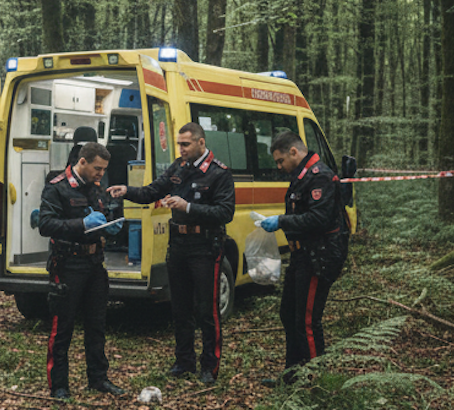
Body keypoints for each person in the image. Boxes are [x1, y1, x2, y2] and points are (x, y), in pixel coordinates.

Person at [107, 122, 235, 385]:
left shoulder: (219, 173)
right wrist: (127, 191)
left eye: (186, 144)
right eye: (179, 144)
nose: (181, 149)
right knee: (180, 307)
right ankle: (184, 361)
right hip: (178, 245)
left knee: (206, 310)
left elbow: (225, 212)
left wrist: (188, 207)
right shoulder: (178, 167)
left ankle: (210, 366)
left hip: (204, 246)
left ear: (201, 143)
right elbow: (152, 191)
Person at [256, 130, 350, 385]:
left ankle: (314, 381)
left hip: (319, 256)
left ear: (294, 152)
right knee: (288, 314)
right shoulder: (301, 177)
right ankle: (292, 375)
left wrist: (282, 221)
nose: (279, 166)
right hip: (301, 255)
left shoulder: (321, 177)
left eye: (280, 161)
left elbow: (318, 219)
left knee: (307, 320)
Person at [38, 142, 126, 400]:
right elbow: (45, 224)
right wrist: (82, 223)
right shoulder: (57, 187)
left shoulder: (95, 190)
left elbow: (104, 213)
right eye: (97, 169)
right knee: (62, 326)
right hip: (67, 264)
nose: (101, 174)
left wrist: (109, 226)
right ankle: (59, 385)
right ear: (83, 161)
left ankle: (98, 378)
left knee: (97, 324)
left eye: (104, 170)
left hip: (94, 264)